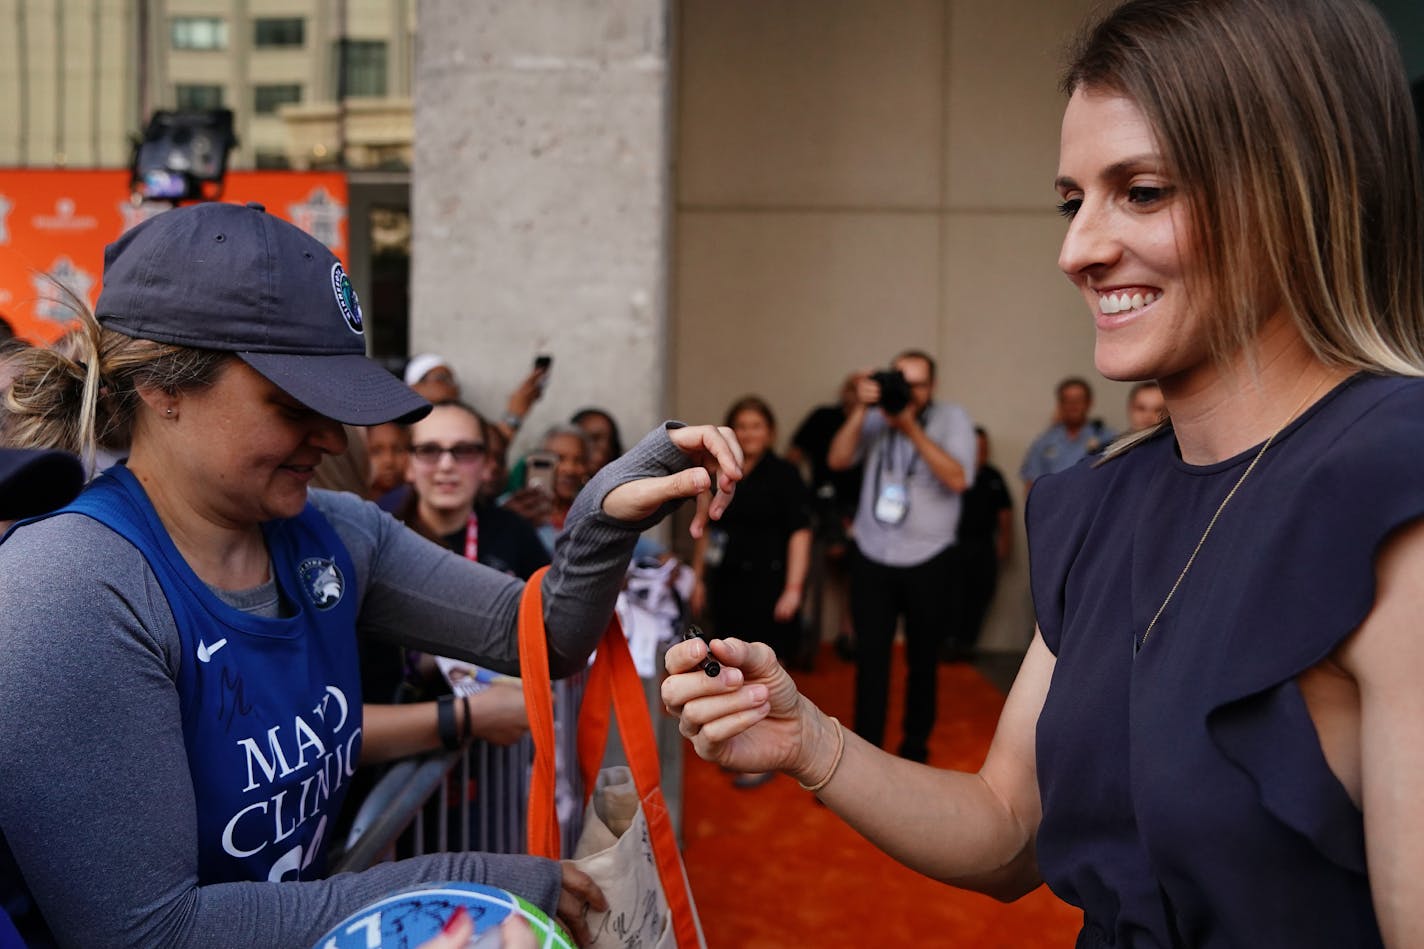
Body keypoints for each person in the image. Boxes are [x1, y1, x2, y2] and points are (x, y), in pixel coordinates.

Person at [662, 1, 1424, 946]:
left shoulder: (1397, 481)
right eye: (1074, 200)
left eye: (1142, 191)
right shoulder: (1097, 501)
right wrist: (807, 740)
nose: (1077, 250)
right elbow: (1008, 826)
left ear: (1296, 187)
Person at [0, 201, 744, 949]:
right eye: (294, 405)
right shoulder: (70, 588)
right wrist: (465, 884)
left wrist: (607, 508)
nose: (332, 438)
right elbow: (150, 934)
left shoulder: (331, 531)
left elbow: (543, 635)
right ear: (166, 387)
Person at [827, 350, 975, 763]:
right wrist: (860, 409)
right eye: (901, 381)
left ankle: (914, 752)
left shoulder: (953, 420)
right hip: (874, 553)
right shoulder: (875, 417)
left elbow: (959, 479)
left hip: (929, 558)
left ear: (932, 387)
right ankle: (867, 757)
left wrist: (910, 427)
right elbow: (838, 459)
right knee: (870, 661)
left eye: (918, 384)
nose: (908, 392)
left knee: (922, 662)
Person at [944, 426, 1012, 661]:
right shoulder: (953, 474)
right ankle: (948, 643)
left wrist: (1005, 541)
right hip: (953, 546)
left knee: (980, 595)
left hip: (983, 546)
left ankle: (967, 644)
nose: (979, 451)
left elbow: (1005, 512)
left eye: (983, 447)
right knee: (951, 596)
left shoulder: (993, 476)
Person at [1019, 376, 1113, 492]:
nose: (1073, 405)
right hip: (1053, 505)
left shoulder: (1106, 437)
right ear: (1059, 404)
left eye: (1079, 400)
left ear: (1089, 402)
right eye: (1067, 400)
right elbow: (1031, 485)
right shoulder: (1044, 442)